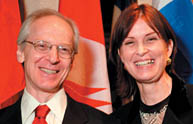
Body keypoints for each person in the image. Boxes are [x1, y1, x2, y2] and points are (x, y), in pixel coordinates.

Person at [0, 9, 120, 124]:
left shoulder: (105, 122)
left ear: (72, 61)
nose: (53, 58)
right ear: (21, 53)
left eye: (64, 49)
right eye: (42, 46)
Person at [109, 3, 193, 124]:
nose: (141, 51)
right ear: (121, 55)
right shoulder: (116, 120)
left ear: (169, 48)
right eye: (130, 42)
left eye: (150, 39)